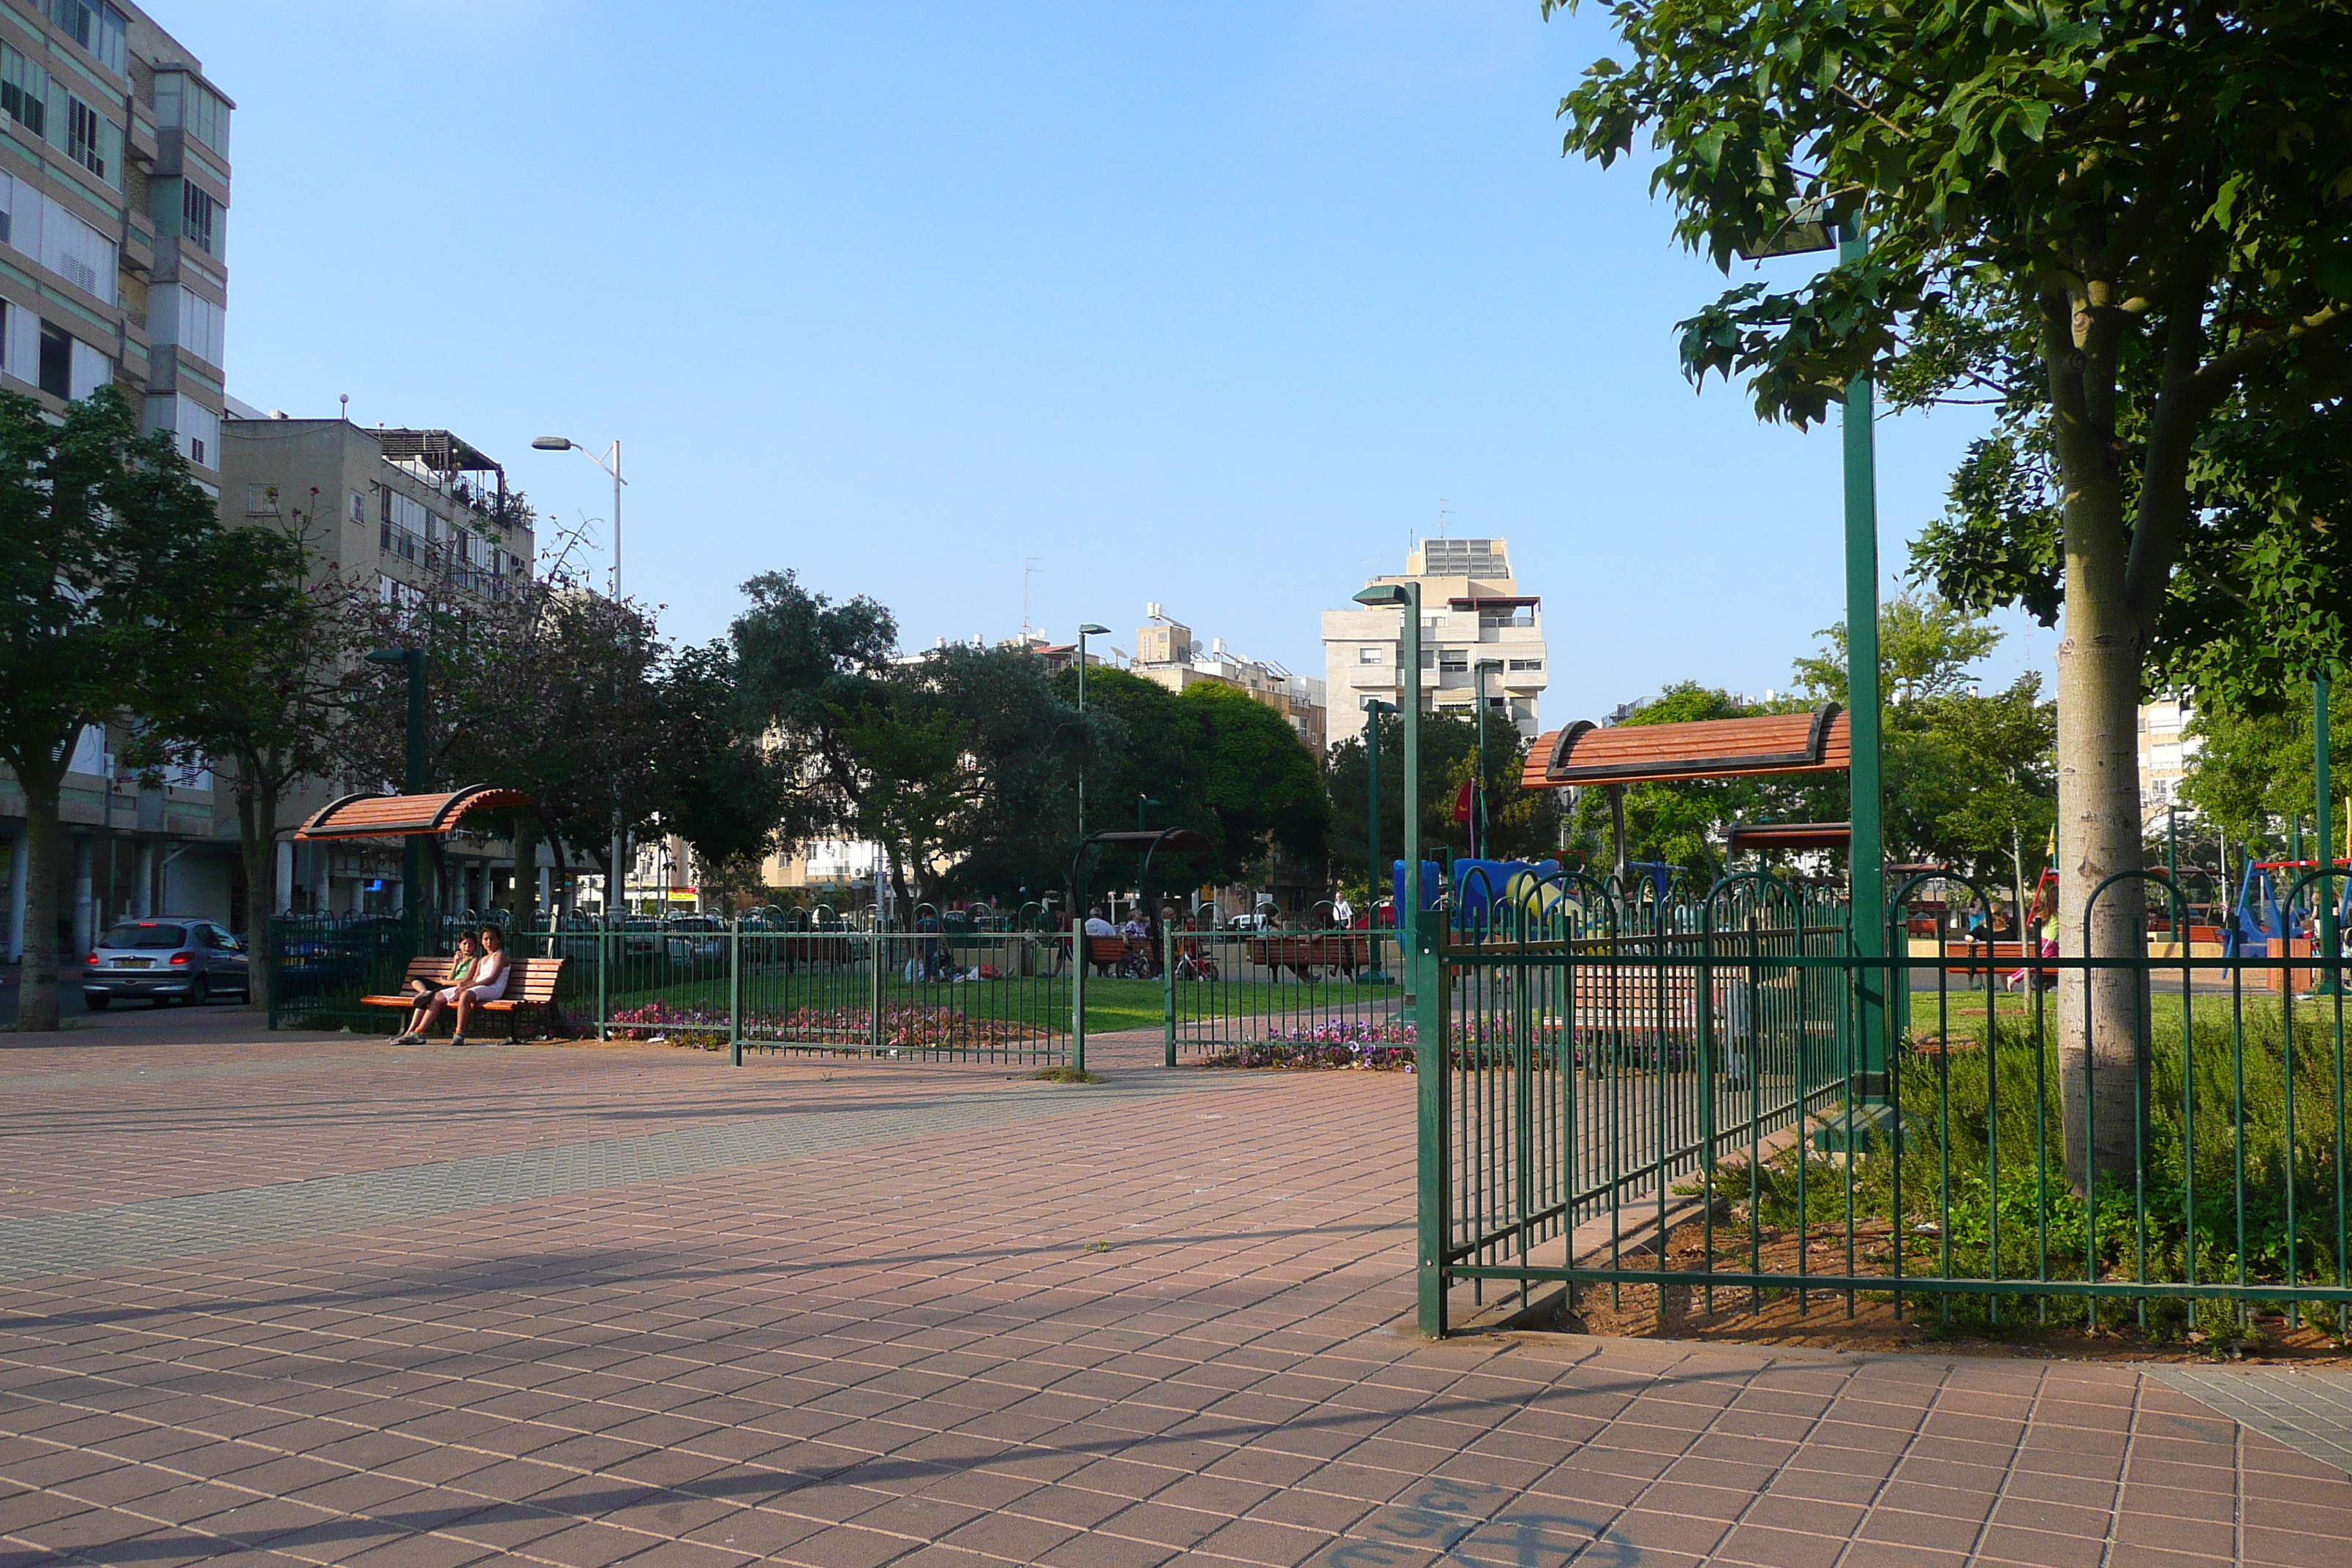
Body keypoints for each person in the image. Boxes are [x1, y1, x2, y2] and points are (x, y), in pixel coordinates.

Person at [404, 926, 510, 1045]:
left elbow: (492, 979)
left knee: (466, 995)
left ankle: (459, 1033)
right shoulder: (483, 960)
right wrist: (462, 986)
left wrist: (466, 988)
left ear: (499, 940)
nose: (489, 942)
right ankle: (419, 1032)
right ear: (482, 941)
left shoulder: (499, 956)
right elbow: (474, 979)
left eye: (492, 939)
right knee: (438, 996)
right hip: (479, 987)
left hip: (493, 989)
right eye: (486, 939)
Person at [394, 932, 478, 1044]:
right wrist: (455, 963)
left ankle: (410, 1032)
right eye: (465, 944)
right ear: (459, 945)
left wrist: (445, 982)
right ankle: (424, 992)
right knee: (415, 978)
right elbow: (451, 976)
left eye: (471, 944)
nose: (467, 947)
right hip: (446, 985)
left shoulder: (474, 960)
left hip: (453, 987)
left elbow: (465, 980)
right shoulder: (459, 959)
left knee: (428, 999)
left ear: (475, 946)